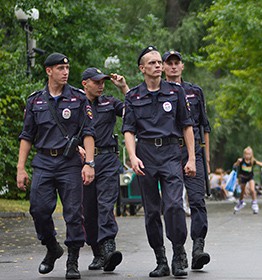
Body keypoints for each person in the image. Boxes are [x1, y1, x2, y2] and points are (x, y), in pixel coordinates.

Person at [16, 53, 95, 279]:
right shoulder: (35, 101)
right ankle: (52, 247)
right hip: (43, 162)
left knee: (73, 213)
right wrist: (21, 168)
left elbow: (89, 133)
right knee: (38, 209)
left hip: (69, 163)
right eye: (60, 68)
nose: (65, 72)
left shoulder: (79, 99)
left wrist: (89, 163)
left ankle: (73, 260)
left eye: (67, 68)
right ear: (48, 71)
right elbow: (27, 135)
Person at [122, 46, 196, 277]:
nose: (157, 65)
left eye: (158, 62)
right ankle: (161, 259)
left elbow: (187, 126)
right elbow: (128, 130)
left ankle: (178, 252)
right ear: (142, 68)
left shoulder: (175, 92)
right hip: (145, 155)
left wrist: (192, 158)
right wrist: (133, 157)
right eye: (152, 63)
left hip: (172, 153)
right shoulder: (133, 96)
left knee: (173, 204)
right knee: (152, 211)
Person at [162, 50, 211, 270]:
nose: (173, 67)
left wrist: (206, 160)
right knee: (172, 204)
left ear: (182, 66)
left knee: (197, 200)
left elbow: (204, 126)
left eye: (177, 63)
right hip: (170, 153)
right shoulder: (158, 92)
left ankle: (198, 247)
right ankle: (177, 249)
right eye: (169, 63)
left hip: (195, 153)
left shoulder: (195, 91)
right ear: (163, 67)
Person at [81, 67, 129, 272]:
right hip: (83, 162)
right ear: (85, 83)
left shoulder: (110, 102)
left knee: (105, 203)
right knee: (88, 209)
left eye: (103, 82)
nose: (101, 86)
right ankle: (98, 251)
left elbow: (135, 110)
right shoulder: (74, 104)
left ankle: (109, 246)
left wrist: (124, 88)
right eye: (96, 82)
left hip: (108, 158)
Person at [233, 146, 262, 214]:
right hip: (242, 177)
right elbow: (234, 166)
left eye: (249, 154)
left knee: (252, 190)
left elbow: (261, 164)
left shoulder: (252, 161)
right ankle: (241, 202)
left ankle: (254, 203)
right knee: (242, 191)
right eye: (246, 154)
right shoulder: (241, 161)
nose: (247, 156)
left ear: (251, 155)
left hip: (250, 177)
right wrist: (237, 162)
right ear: (244, 154)